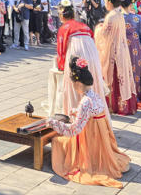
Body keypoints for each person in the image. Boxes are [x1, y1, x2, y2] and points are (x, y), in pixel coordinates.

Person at [42, 57, 130, 187]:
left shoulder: (85, 102)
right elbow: (92, 115)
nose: (73, 86)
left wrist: (54, 123)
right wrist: (76, 111)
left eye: (73, 84)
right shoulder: (94, 95)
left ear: (78, 84)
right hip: (98, 137)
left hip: (90, 139)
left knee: (57, 141)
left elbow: (74, 129)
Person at [55, 4, 108, 117]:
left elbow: (61, 49)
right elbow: (92, 39)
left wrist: (61, 65)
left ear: (61, 16)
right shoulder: (85, 26)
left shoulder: (64, 28)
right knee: (91, 79)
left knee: (76, 81)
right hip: (92, 53)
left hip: (76, 53)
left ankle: (76, 113)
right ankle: (96, 111)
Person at [94, 0, 137, 115]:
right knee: (121, 77)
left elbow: (104, 35)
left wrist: (98, 28)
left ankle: (114, 105)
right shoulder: (119, 14)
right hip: (122, 49)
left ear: (110, 3)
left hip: (113, 51)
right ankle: (123, 105)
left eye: (106, 1)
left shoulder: (111, 16)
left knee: (113, 77)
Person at [120, 0, 141, 106]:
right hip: (134, 46)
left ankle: (124, 98)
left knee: (123, 71)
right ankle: (136, 96)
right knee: (136, 70)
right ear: (130, 5)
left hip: (121, 45)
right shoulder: (136, 18)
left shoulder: (117, 18)